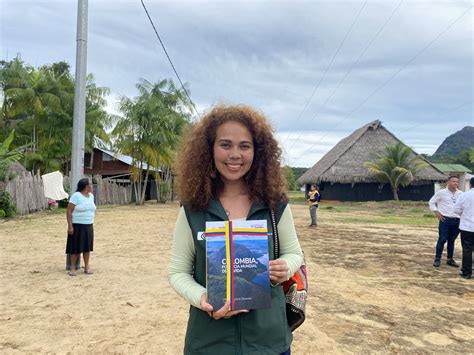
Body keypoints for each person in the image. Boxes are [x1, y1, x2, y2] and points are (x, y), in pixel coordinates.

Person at [169, 104, 304, 354]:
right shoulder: (192, 209)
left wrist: (285, 267)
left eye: (245, 146)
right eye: (225, 144)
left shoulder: (275, 205)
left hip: (269, 343)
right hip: (209, 344)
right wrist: (203, 298)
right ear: (209, 149)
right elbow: (178, 273)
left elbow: (295, 254)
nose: (235, 154)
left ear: (258, 151)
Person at [428, 175, 462, 268]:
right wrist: (436, 211)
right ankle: (437, 259)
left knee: (452, 240)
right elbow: (431, 202)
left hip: (457, 220)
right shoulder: (441, 193)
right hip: (445, 219)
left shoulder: (461, 194)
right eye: (453, 181)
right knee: (442, 239)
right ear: (448, 182)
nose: (455, 183)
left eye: (457, 182)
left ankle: (450, 259)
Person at [66, 178, 96, 276]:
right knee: (75, 247)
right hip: (77, 225)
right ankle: (72, 267)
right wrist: (70, 226)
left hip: (88, 225)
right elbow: (69, 211)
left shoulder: (91, 196)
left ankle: (87, 266)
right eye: (90, 185)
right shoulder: (76, 196)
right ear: (86, 186)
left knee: (87, 247)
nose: (92, 186)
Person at [454, 177, 474, 279]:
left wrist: (465, 214)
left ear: (470, 184)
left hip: (467, 227)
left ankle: (466, 272)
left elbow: (456, 210)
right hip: (467, 225)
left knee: (467, 250)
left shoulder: (464, 195)